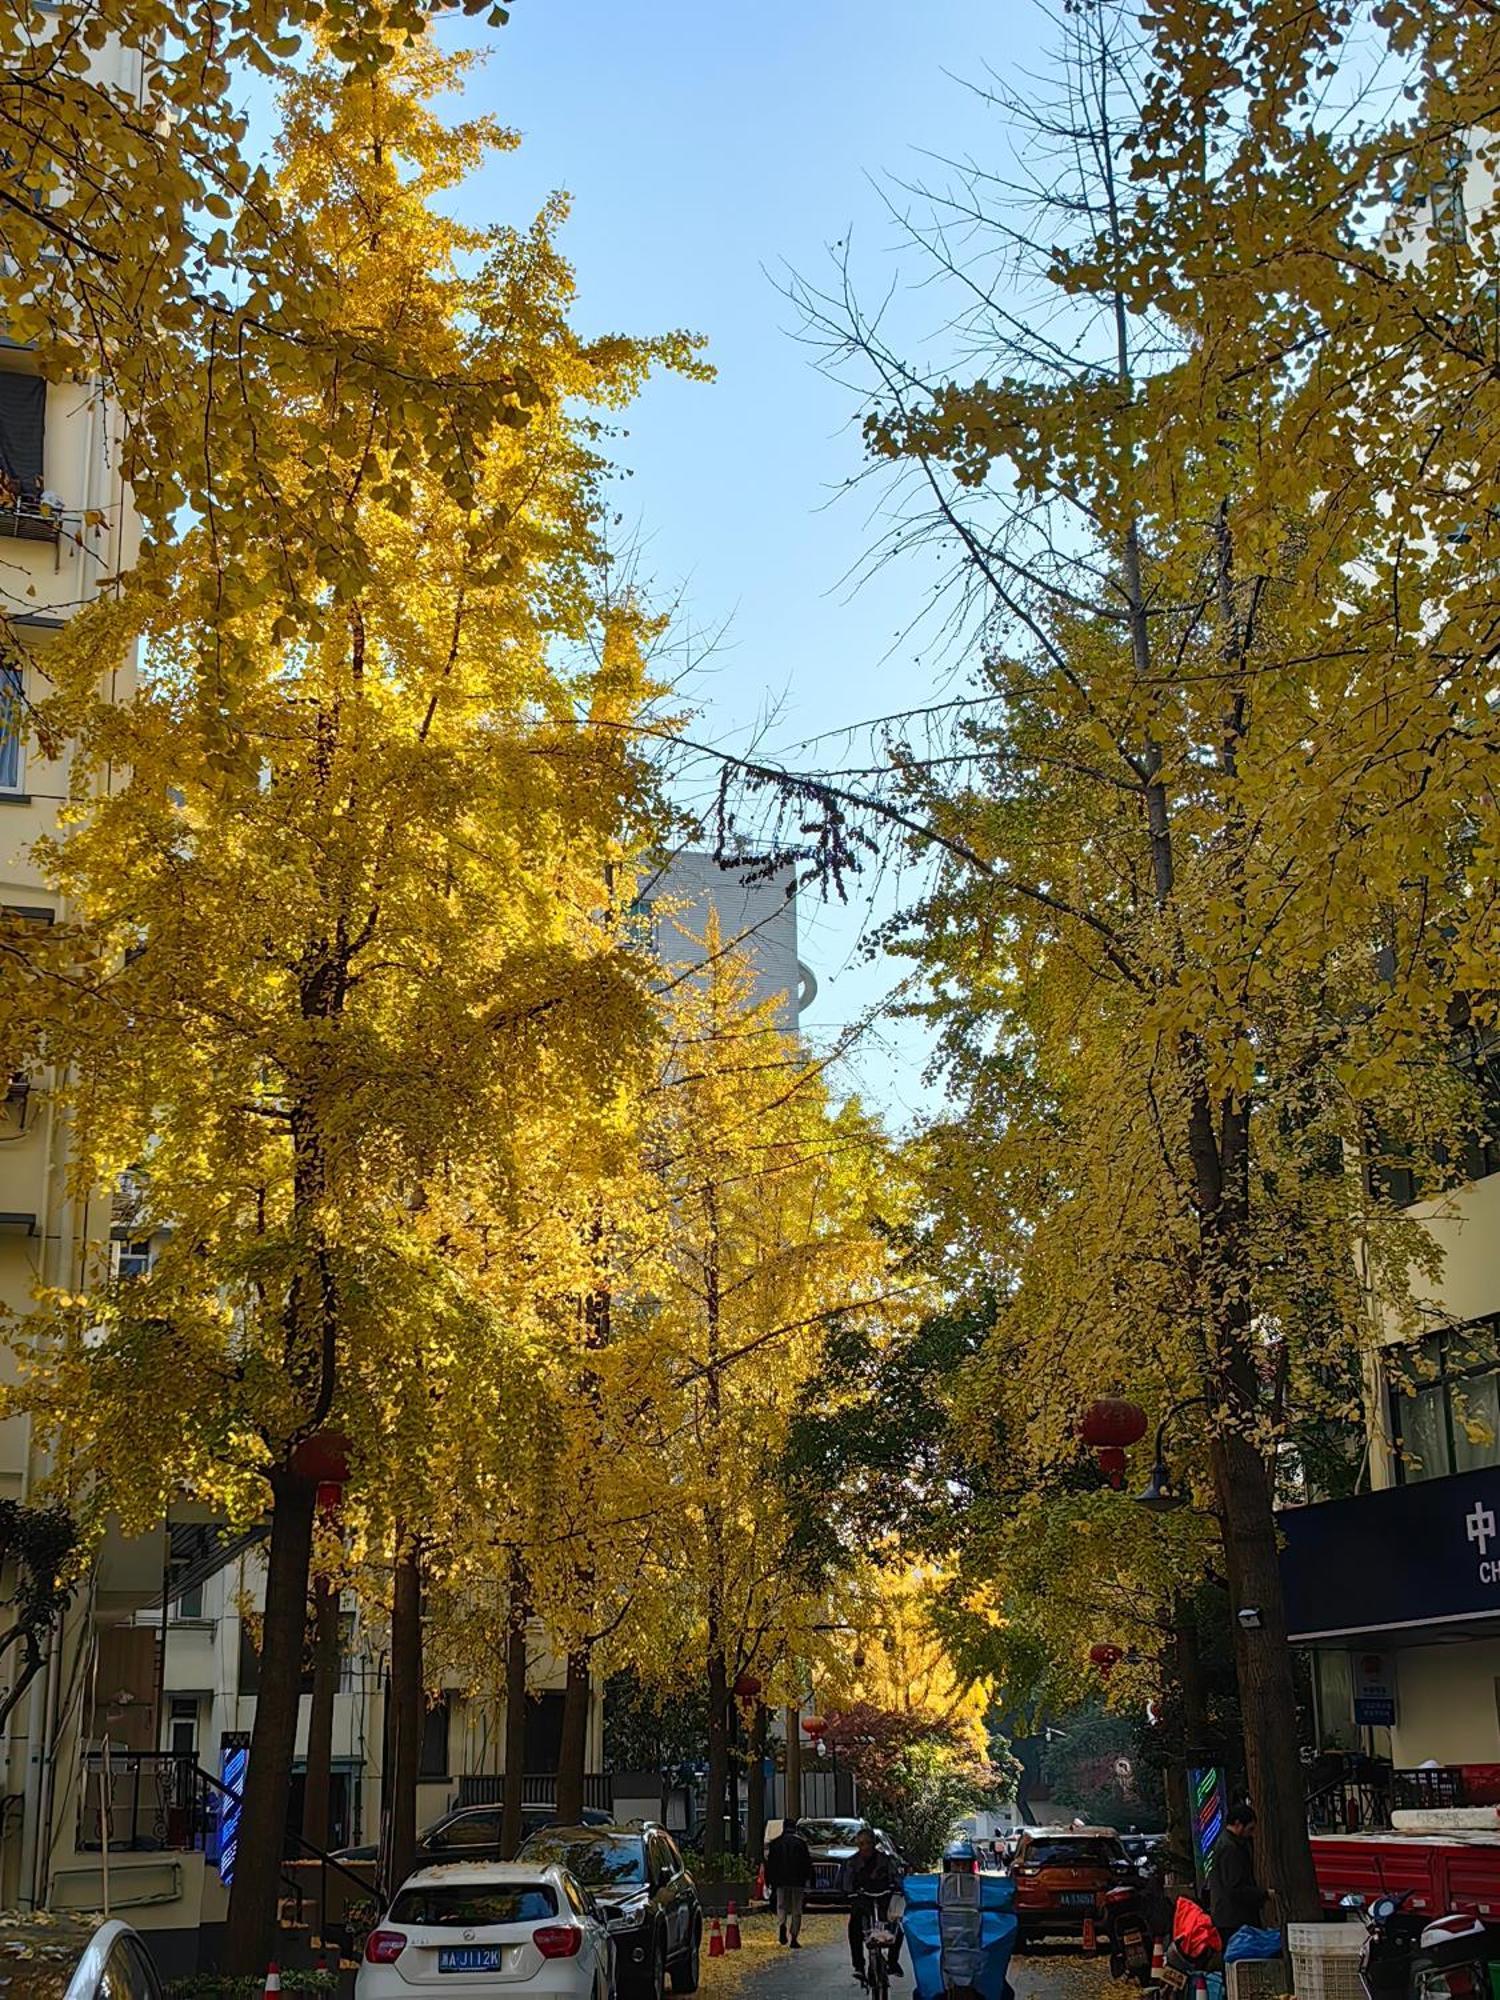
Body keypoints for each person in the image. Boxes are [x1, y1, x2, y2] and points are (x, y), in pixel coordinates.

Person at [842, 1827, 904, 1983]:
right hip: (862, 1902)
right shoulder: (852, 1862)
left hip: (883, 1900)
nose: (865, 1847)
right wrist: (849, 1892)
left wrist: (896, 1888)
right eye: (862, 1844)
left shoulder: (886, 1860)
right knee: (854, 1928)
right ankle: (859, 1967)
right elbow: (845, 1883)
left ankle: (892, 1961)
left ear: (874, 1844)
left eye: (868, 1843)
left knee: (898, 1927)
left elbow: (896, 1878)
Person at [1208, 1801, 1266, 1942]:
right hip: (1234, 1918)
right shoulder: (1231, 1849)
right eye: (1250, 1829)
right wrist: (1262, 1894)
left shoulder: (1227, 1843)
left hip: (1228, 1916)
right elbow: (1235, 1887)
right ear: (1238, 1824)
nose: (1251, 1834)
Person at [764, 1816, 815, 1948]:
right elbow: (807, 1863)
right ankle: (794, 1937)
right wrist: (809, 1879)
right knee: (796, 1909)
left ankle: (782, 1924)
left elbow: (770, 1864)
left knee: (781, 1905)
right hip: (798, 1880)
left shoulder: (775, 1844)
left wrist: (769, 1881)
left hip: (780, 1880)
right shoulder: (801, 1843)